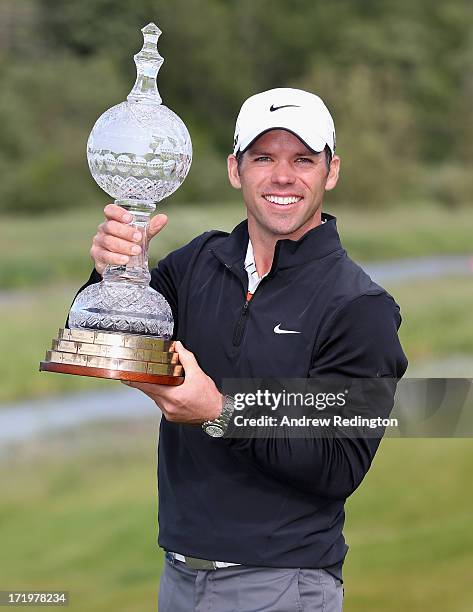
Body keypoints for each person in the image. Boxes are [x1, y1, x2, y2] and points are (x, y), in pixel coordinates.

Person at [76, 87, 408, 611]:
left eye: (302, 159)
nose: (282, 176)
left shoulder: (359, 307)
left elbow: (338, 464)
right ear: (235, 169)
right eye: (263, 158)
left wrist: (220, 411)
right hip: (179, 575)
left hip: (282, 583)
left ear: (332, 171)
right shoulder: (196, 263)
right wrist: (114, 271)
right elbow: (104, 346)